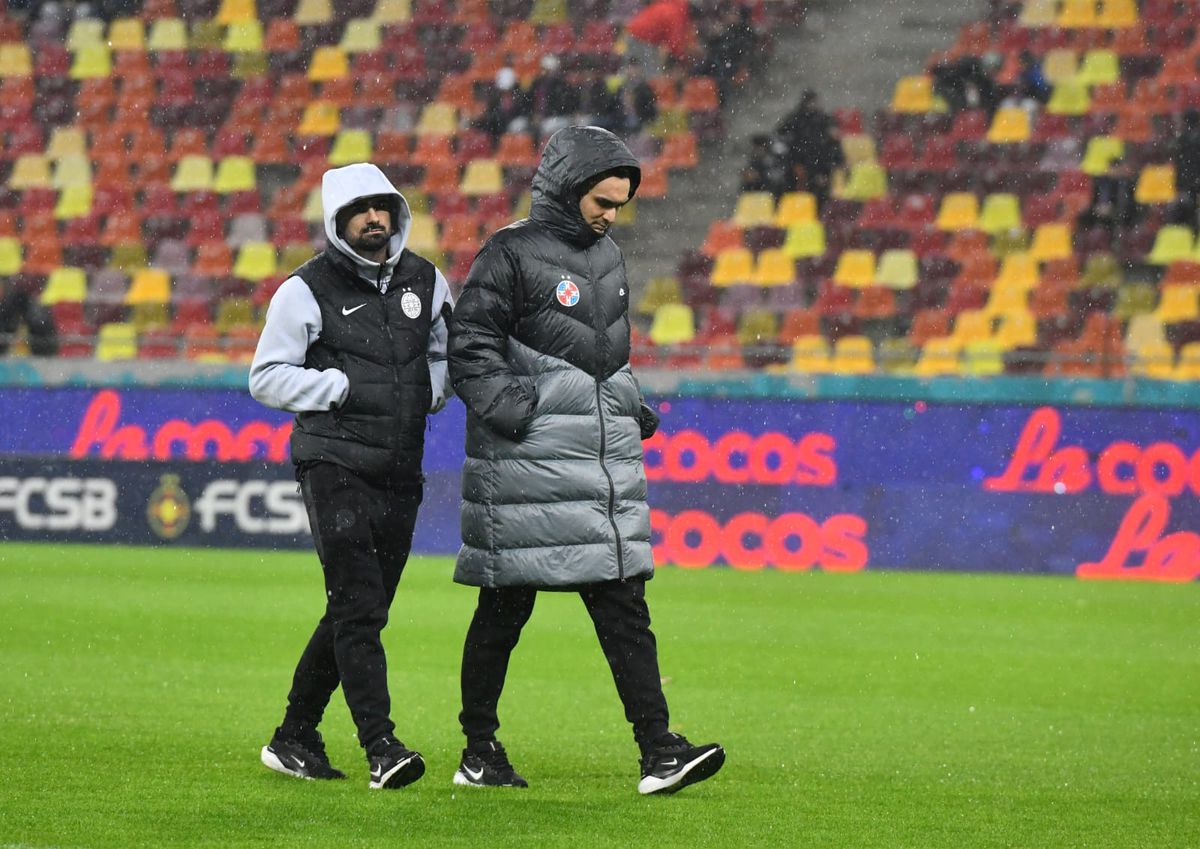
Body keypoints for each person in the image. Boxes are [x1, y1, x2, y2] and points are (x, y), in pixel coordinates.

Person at [446, 125, 725, 796]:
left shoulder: (609, 257)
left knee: (624, 605)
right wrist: (518, 412)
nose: (610, 216)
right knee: (503, 612)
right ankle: (479, 749)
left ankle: (658, 749)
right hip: (527, 468)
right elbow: (469, 346)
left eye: (619, 205)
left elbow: (602, 359)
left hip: (597, 467)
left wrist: (628, 405)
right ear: (565, 190)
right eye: (601, 202)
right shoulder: (508, 253)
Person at [249, 163, 454, 790]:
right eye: (359, 210)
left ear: (396, 213)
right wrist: (335, 387)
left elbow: (448, 350)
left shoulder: (427, 281)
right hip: (332, 461)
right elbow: (265, 376)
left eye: (381, 207)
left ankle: (294, 736)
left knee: (359, 608)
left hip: (399, 465)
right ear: (338, 221)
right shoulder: (304, 289)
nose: (373, 218)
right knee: (360, 606)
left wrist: (431, 391)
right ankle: (381, 747)